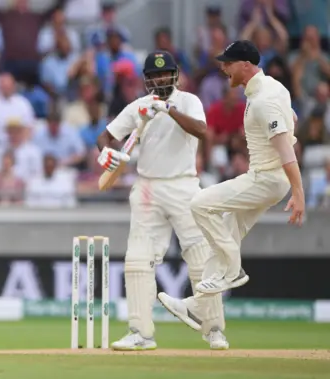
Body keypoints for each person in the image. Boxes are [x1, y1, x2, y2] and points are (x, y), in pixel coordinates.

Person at [96, 51, 228, 350]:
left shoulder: (188, 101)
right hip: (147, 188)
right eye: (153, 75)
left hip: (184, 185)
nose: (159, 79)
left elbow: (201, 130)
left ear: (175, 75)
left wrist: (167, 109)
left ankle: (214, 329)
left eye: (164, 74)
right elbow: (105, 135)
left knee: (200, 257)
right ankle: (140, 333)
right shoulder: (138, 106)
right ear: (146, 80)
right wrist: (104, 153)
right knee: (138, 260)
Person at [188, 40, 303, 294]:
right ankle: (198, 307)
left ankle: (234, 268)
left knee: (199, 204)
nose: (224, 68)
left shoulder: (263, 100)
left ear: (246, 65)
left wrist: (299, 193)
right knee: (229, 231)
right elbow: (292, 117)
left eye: (228, 63)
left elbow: (287, 151)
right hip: (270, 178)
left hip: (267, 178)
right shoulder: (273, 87)